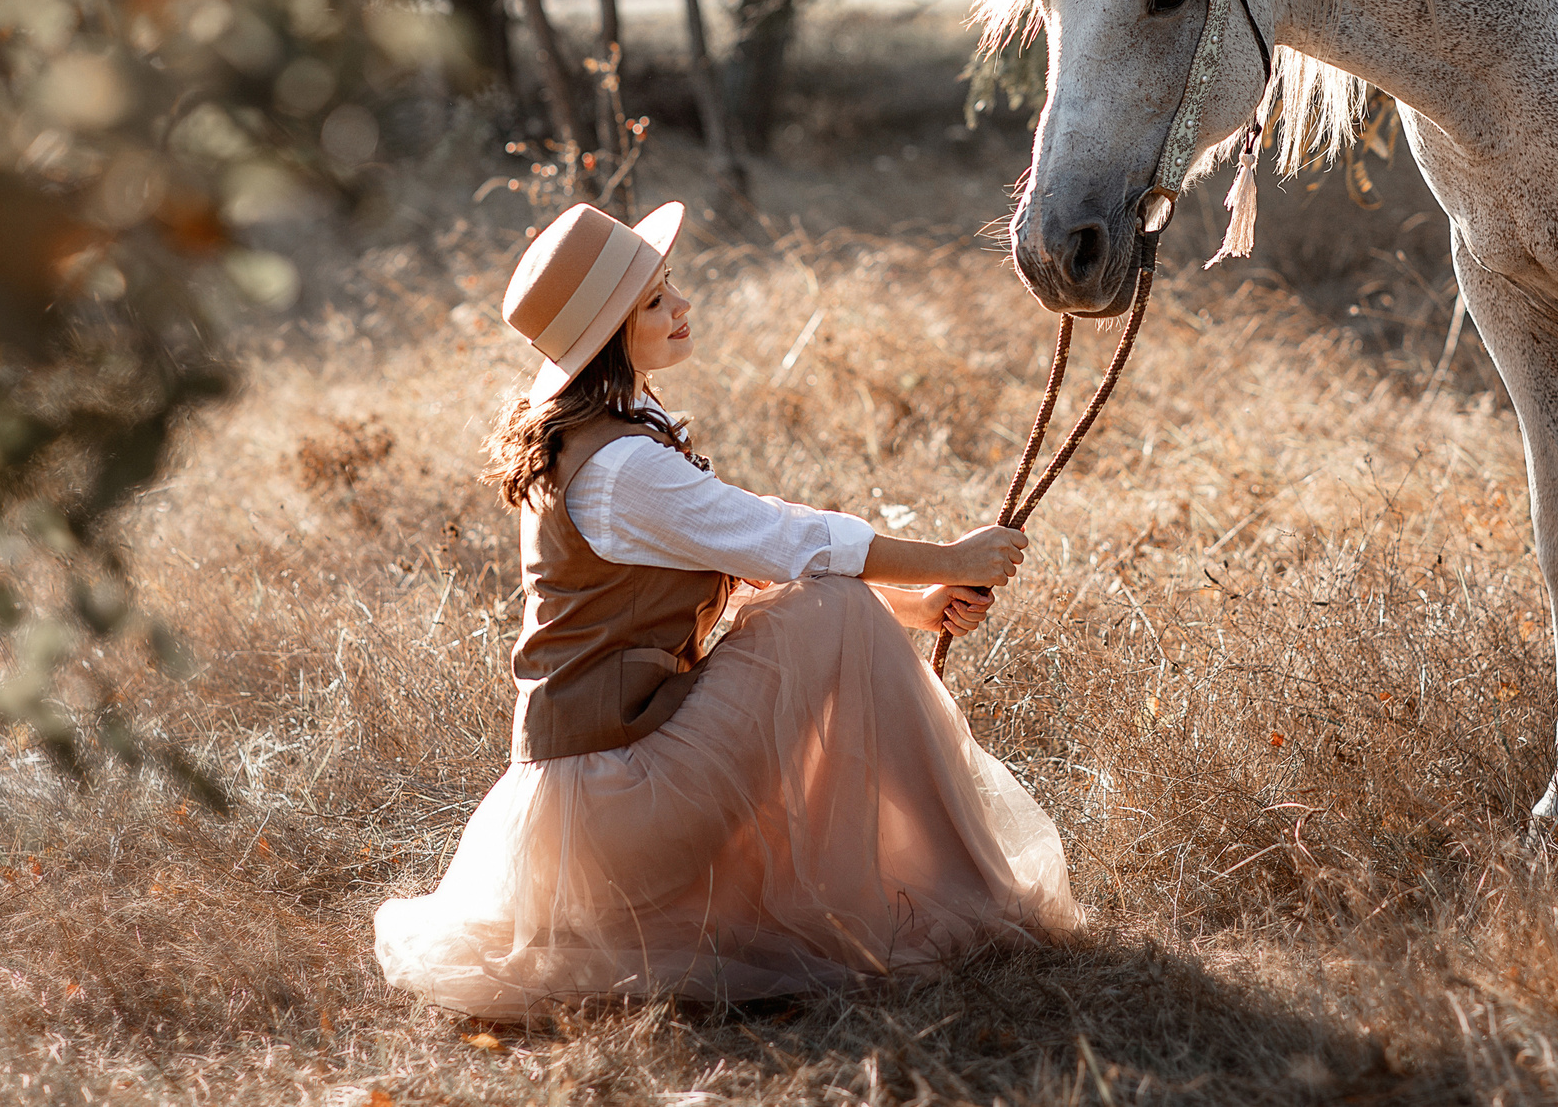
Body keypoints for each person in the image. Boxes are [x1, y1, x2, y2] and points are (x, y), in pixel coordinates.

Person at [373, 200, 1080, 1009]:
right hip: (616, 809)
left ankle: (940, 880)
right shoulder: (620, 466)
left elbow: (746, 557)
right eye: (654, 302)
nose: (681, 307)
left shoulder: (607, 433)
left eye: (671, 287)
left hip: (600, 790)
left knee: (827, 604)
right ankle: (965, 891)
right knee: (828, 609)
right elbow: (783, 538)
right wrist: (947, 558)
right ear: (609, 336)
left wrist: (915, 603)